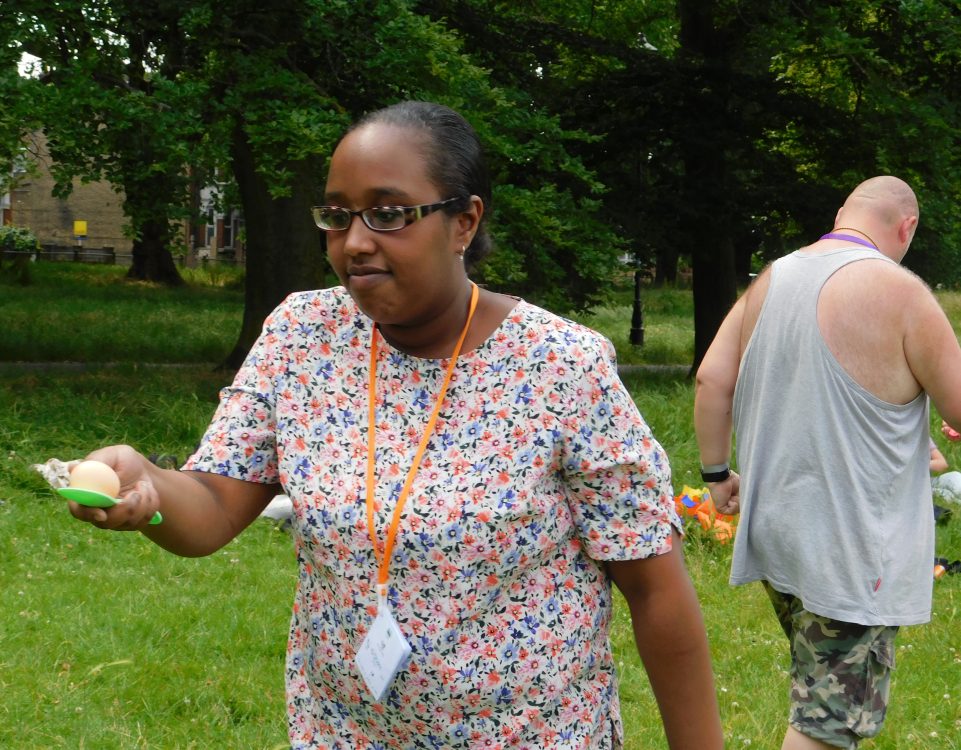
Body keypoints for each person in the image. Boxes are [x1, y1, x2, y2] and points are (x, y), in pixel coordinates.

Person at [67, 101, 722, 749]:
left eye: (388, 214)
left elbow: (656, 587)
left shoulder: (562, 369)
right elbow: (212, 503)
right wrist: (146, 486)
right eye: (336, 215)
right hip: (343, 736)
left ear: (463, 222)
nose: (354, 242)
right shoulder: (301, 339)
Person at [694, 175, 961, 750]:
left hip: (776, 530)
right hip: (849, 548)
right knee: (826, 724)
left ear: (843, 212)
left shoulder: (772, 277)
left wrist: (717, 475)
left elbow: (712, 378)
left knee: (819, 691)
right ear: (906, 227)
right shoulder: (903, 291)